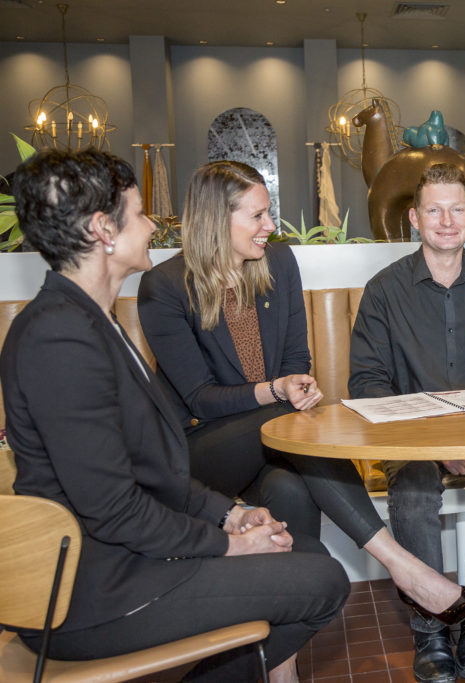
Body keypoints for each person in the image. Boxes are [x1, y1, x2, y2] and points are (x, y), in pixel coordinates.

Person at [0, 148, 348, 682]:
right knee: (323, 581)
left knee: (302, 551)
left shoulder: (93, 320)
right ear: (103, 230)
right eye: (140, 214)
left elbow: (155, 473)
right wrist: (228, 545)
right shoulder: (58, 336)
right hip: (90, 592)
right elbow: (113, 509)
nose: (151, 226)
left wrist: (231, 516)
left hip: (126, 562)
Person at [137, 160, 465, 627]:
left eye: (268, 213)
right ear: (217, 219)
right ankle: (403, 566)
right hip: (199, 451)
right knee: (288, 422)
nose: (270, 226)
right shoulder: (165, 287)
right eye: (256, 216)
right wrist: (275, 391)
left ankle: (284, 665)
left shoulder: (278, 262)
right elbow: (199, 398)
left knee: (290, 492)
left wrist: (294, 384)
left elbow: (296, 356)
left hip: (273, 447)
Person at [348, 162, 465, 682]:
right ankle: (430, 621)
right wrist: (435, 442)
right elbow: (367, 386)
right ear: (413, 218)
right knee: (410, 488)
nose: (446, 220)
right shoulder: (383, 291)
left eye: (457, 209)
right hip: (411, 440)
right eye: (434, 210)